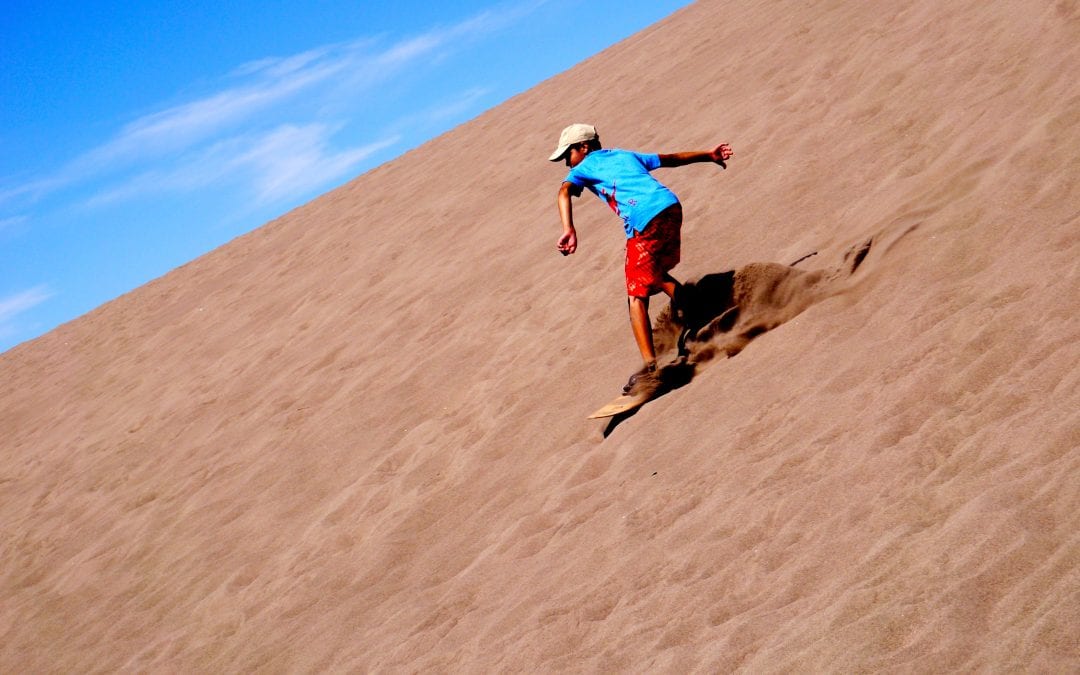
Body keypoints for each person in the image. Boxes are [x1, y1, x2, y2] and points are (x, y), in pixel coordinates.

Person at [550, 123, 733, 393]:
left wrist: (568, 229)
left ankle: (650, 370)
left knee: (636, 295)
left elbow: (563, 192)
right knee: (654, 274)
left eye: (568, 155)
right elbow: (669, 159)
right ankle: (699, 313)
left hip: (644, 220)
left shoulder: (584, 167)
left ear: (584, 148)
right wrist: (708, 155)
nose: (566, 162)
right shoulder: (624, 155)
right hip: (670, 208)